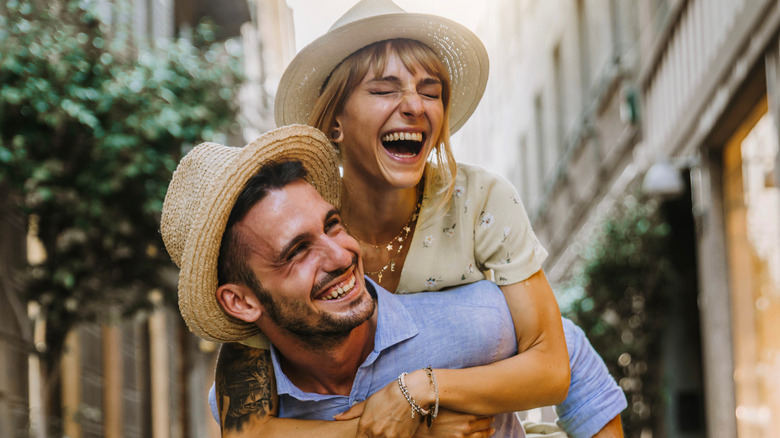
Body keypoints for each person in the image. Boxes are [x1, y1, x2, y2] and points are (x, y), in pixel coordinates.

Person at [214, 0, 627, 436]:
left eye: (430, 91)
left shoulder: (480, 201)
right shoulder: (301, 221)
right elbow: (246, 427)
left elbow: (553, 359)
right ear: (335, 121)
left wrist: (419, 389)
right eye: (384, 89)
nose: (414, 105)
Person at [161, 125, 540, 437]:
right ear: (241, 303)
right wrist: (417, 428)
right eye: (296, 251)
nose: (342, 256)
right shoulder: (242, 393)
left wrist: (422, 390)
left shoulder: (478, 320)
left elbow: (562, 352)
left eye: (332, 225)